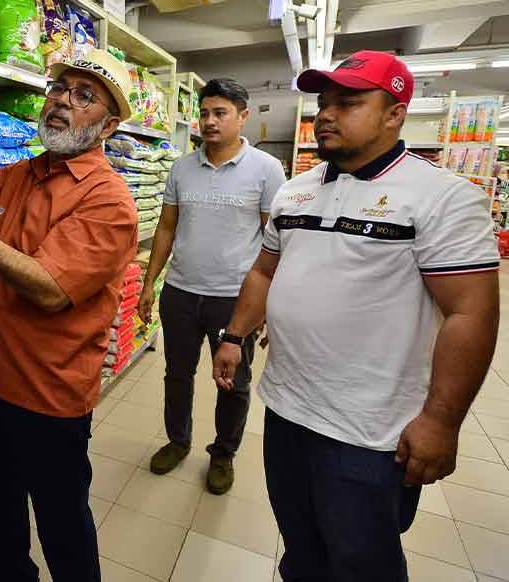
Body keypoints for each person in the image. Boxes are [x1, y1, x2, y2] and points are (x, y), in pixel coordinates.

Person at [212, 50, 500, 581]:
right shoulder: (295, 191)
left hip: (369, 432)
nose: (326, 114)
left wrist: (441, 421)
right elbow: (262, 274)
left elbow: (471, 314)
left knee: (362, 562)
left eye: (348, 102)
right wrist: (234, 335)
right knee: (301, 548)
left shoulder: (441, 198)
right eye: (323, 102)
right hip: (287, 410)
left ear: (394, 113)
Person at [0, 48, 139, 582]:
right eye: (59, 89)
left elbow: (48, 288)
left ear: (108, 125)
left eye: (84, 96)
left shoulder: (109, 201)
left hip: (48, 396)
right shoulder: (25, 172)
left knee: (62, 520)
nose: (63, 100)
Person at [138, 78, 286, 494]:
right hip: (182, 292)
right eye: (204, 113)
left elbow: (275, 244)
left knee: (233, 383)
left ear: (243, 116)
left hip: (235, 299)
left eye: (219, 113)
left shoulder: (266, 170)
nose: (209, 121)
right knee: (177, 374)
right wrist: (150, 283)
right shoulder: (182, 167)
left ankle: (223, 454)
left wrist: (271, 306)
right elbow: (166, 227)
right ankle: (178, 440)